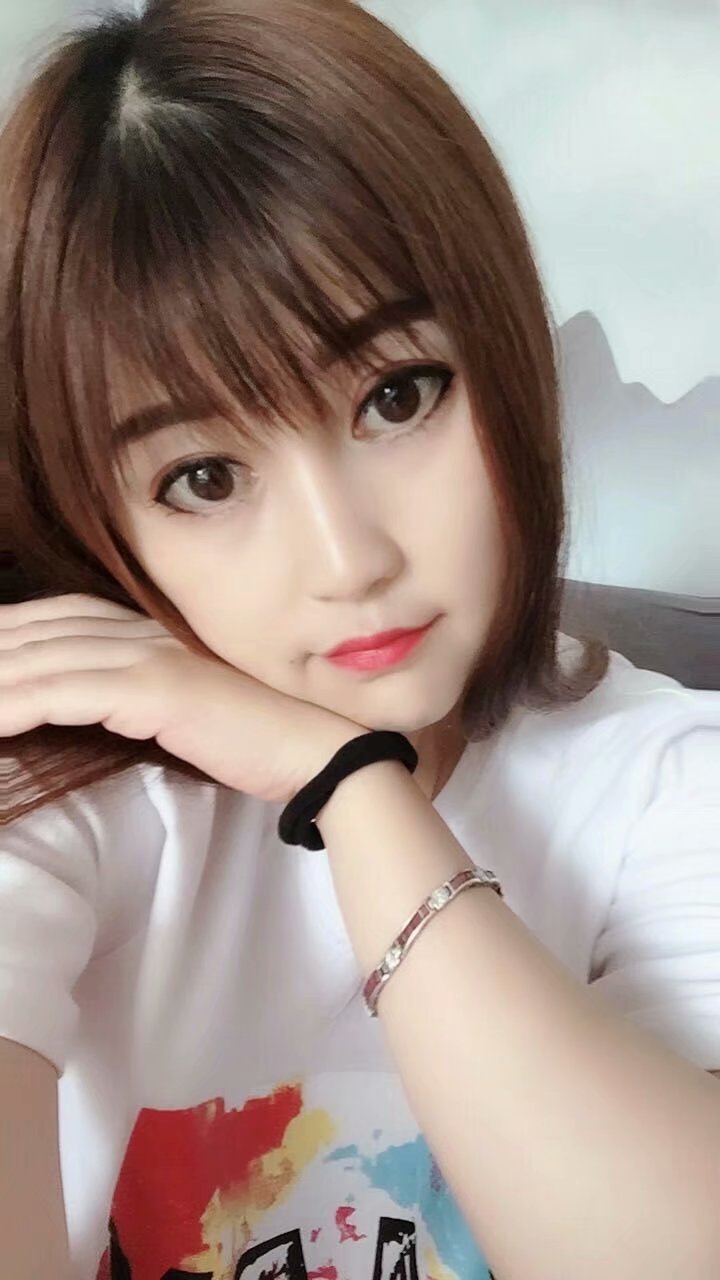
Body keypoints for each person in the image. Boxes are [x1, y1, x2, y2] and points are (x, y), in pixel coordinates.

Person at [1, 1, 719, 1277]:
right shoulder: (67, 800)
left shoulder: (671, 781)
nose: (349, 561)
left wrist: (348, 785)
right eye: (205, 478)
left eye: (397, 395)